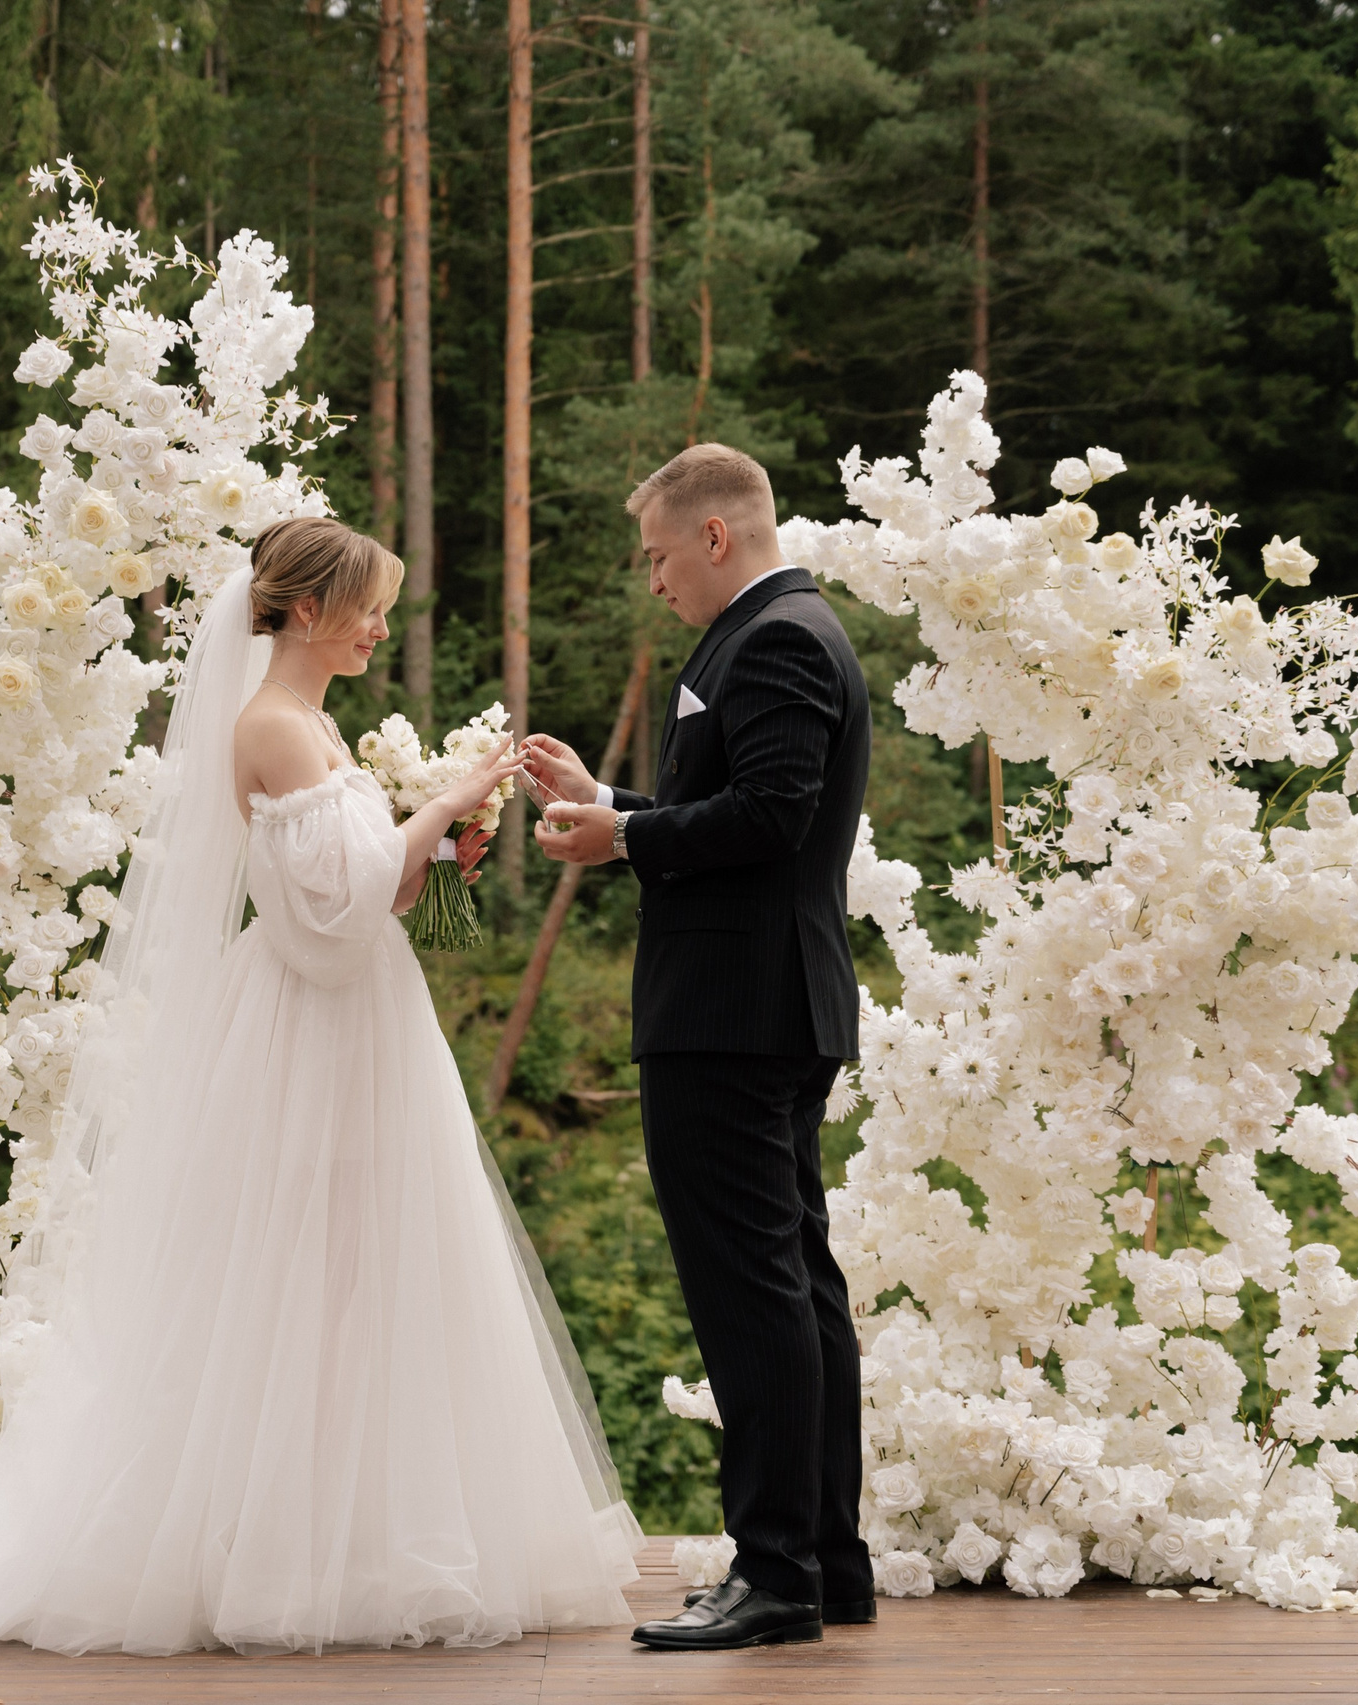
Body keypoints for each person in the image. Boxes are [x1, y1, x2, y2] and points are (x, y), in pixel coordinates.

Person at [0, 518, 642, 1661]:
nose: (382, 628)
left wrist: (438, 844)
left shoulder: (316, 725)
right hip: (310, 1032)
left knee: (357, 1273)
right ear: (310, 610)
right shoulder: (271, 725)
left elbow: (365, 894)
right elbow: (333, 920)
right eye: (369, 608)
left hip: (359, 1027)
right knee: (288, 1275)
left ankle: (355, 1534)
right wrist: (444, 803)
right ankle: (267, 1543)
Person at [526, 443, 874, 1651]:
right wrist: (616, 804)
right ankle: (825, 1561)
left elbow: (771, 817)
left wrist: (623, 842)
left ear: (715, 536)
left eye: (659, 554)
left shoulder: (774, 638)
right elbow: (742, 806)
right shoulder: (787, 629)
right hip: (767, 1004)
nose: (655, 578)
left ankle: (776, 1572)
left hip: (732, 1013)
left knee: (752, 1296)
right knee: (796, 1286)